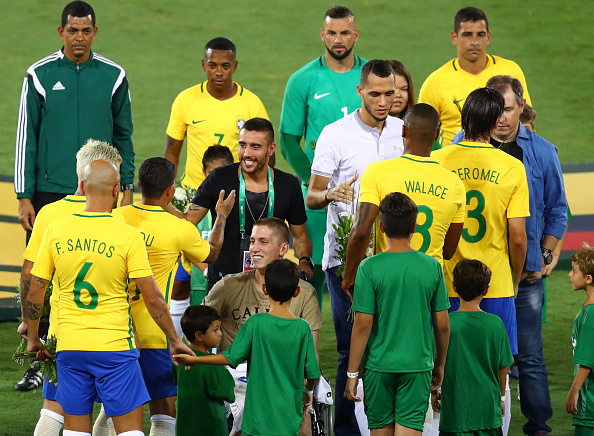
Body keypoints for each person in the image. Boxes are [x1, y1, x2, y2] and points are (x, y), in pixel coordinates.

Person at [23, 159, 193, 436]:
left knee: (75, 431)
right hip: (115, 349)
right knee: (129, 432)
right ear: (117, 191)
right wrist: (174, 340)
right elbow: (153, 299)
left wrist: (33, 338)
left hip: (70, 346)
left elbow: (35, 288)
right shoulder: (127, 235)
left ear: (81, 186)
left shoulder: (56, 230)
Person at [305, 59, 403, 434]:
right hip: (346, 260)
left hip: (394, 257)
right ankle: (347, 430)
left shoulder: (403, 132)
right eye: (374, 93)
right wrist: (331, 192)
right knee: (352, 349)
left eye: (389, 94)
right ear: (360, 91)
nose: (382, 101)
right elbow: (312, 196)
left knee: (392, 347)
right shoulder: (335, 134)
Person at [113, 157, 234, 435]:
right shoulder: (179, 230)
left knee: (115, 411)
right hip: (155, 334)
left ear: (140, 185)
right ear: (170, 191)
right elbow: (211, 253)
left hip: (117, 331)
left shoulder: (118, 217)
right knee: (164, 413)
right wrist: (222, 217)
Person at [434, 87, 530, 434]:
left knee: (442, 371)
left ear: (463, 119)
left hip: (444, 284)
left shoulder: (438, 159)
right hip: (496, 284)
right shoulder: (511, 167)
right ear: (494, 122)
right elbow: (518, 237)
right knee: (496, 375)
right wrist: (514, 278)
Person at [16, 140, 122, 435]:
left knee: (56, 408)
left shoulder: (50, 214)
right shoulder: (117, 218)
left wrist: (30, 323)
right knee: (114, 411)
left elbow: (30, 275)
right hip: (110, 334)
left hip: (64, 333)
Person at [482, 75, 567, 436]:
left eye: (509, 109)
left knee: (529, 359)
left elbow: (558, 209)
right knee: (477, 359)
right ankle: (479, 425)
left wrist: (545, 251)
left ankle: (538, 428)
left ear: (521, 108)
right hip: (479, 278)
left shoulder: (544, 151)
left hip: (526, 279)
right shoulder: (462, 145)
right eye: (495, 109)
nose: (501, 117)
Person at [15, 1, 135, 242]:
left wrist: (127, 188)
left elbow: (123, 136)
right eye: (72, 30)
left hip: (99, 188)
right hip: (50, 190)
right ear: (61, 32)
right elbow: (26, 138)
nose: (79, 37)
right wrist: (24, 196)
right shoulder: (39, 75)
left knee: (98, 264)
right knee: (40, 269)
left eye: (85, 31)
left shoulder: (114, 76)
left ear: (95, 32)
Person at [279, 5, 367, 309]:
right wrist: (313, 182)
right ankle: (308, 349)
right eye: (332, 33)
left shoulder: (372, 77)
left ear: (355, 34)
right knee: (310, 272)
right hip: (319, 198)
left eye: (344, 33)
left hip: (366, 193)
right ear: (322, 34)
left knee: (367, 274)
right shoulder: (302, 80)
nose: (338, 39)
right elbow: (289, 140)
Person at [174, 259, 321, 436]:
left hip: (256, 422)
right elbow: (313, 372)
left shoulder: (254, 323)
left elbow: (230, 358)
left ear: (265, 289)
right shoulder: (303, 328)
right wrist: (308, 392)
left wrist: (195, 358)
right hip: (288, 421)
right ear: (297, 292)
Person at [344, 192, 450, 435]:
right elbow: (443, 325)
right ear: (414, 225)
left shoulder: (368, 268)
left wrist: (352, 373)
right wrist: (440, 363)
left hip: (378, 368)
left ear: (380, 227)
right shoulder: (432, 266)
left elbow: (362, 324)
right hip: (417, 367)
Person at [176, 117, 313, 291]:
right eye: (242, 145)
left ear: (271, 149)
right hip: (222, 283)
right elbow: (187, 221)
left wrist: (304, 261)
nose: (246, 153)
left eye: (255, 147)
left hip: (269, 285)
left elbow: (300, 236)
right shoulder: (219, 178)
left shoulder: (288, 185)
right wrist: (163, 203)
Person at [342, 103, 465, 292]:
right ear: (438, 133)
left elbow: (361, 230)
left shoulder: (377, 172)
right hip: (431, 286)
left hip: (386, 283)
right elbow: (448, 251)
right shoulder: (455, 183)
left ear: (403, 130)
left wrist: (349, 279)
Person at [203, 217, 322, 352]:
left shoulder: (305, 292)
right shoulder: (228, 285)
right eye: (252, 242)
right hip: (234, 371)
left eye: (263, 242)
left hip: (281, 372)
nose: (254, 248)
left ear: (283, 249)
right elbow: (197, 326)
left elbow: (312, 352)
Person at [164, 37, 268, 190]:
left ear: (235, 66)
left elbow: (265, 155)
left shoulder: (252, 104)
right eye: (213, 66)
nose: (219, 72)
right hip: (193, 192)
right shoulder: (186, 100)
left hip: (237, 192)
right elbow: (172, 151)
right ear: (203, 65)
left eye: (225, 66)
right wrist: (166, 189)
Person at [418, 7, 531, 148]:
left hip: (504, 159)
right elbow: (421, 131)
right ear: (454, 37)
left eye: (480, 35)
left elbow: (526, 119)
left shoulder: (510, 71)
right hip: (455, 165)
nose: (474, 42)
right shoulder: (435, 82)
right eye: (467, 35)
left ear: (488, 37)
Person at [433, 259, 513, 435]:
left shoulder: (445, 324)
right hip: (487, 414)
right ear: (486, 290)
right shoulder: (496, 324)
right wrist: (500, 397)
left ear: (454, 287)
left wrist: (433, 393)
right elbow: (503, 365)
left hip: (455, 414)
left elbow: (435, 363)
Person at [169, 145, 234, 339]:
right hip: (201, 282)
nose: (216, 178)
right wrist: (206, 270)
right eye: (211, 173)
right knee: (201, 335)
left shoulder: (236, 205)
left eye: (221, 172)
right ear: (204, 173)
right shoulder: (198, 207)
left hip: (232, 282)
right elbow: (186, 241)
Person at [174, 305, 235, 436]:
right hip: (212, 428)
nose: (221, 334)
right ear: (199, 336)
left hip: (184, 427)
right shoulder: (214, 365)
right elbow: (229, 394)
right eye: (216, 330)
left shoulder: (178, 359)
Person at [566, 247, 594, 436]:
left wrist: (575, 389)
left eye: (574, 271)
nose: (570, 274)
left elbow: (586, 360)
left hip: (589, 402)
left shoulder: (588, 315)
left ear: (588, 278)